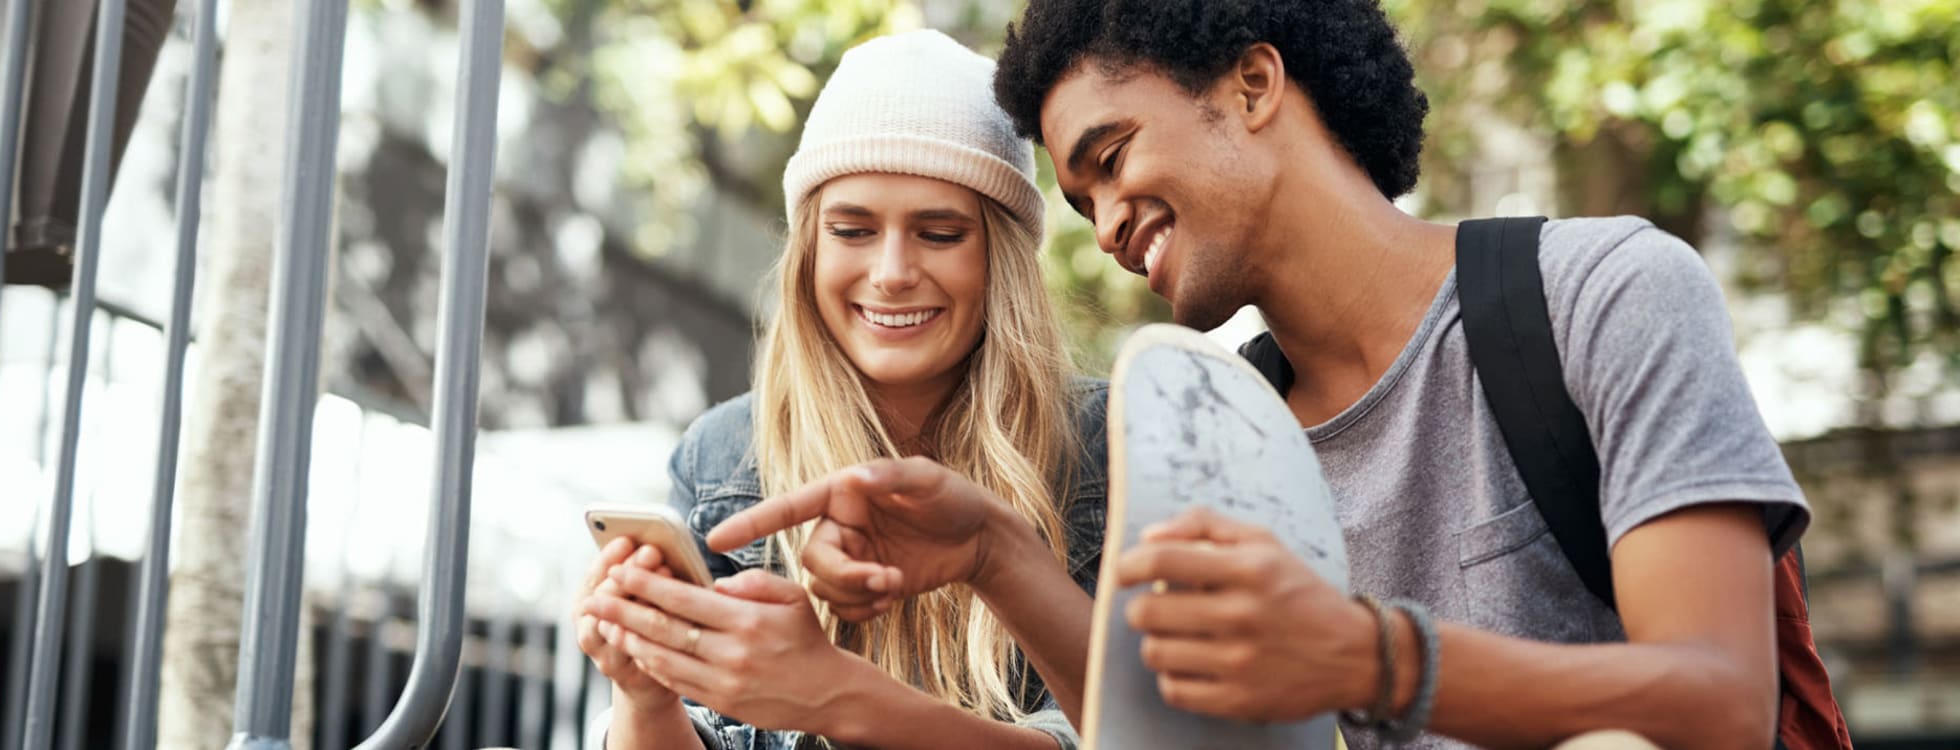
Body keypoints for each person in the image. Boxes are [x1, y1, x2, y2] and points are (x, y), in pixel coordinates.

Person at [712, 2, 1816, 749]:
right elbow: (1160, 739)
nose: (1101, 227)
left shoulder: (1598, 292)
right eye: (1080, 200)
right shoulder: (1206, 424)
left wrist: (1366, 656)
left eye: (1108, 158)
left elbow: (1717, 700)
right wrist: (993, 551)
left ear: (1249, 84)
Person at [573, 29, 1108, 750]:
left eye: (940, 233)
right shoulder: (725, 456)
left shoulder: (1109, 441)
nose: (890, 271)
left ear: (1000, 261)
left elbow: (1131, 733)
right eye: (852, 229)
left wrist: (837, 698)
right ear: (810, 250)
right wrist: (643, 693)